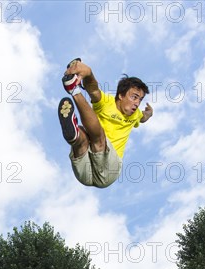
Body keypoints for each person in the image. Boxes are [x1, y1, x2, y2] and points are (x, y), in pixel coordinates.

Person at [58, 58, 153, 188]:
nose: (137, 103)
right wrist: (89, 73)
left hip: (108, 172)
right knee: (83, 138)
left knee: (99, 138)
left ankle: (74, 89)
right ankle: (75, 136)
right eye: (134, 97)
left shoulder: (136, 114)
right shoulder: (107, 102)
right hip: (85, 173)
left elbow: (143, 118)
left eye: (140, 100)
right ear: (121, 95)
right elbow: (94, 90)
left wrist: (149, 113)